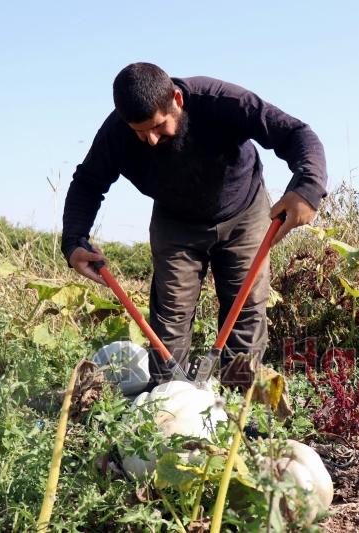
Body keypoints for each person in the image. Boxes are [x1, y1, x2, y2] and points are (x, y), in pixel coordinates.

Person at [62, 62, 327, 388]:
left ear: (177, 99)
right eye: (139, 132)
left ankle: (239, 406)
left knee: (245, 309)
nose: (151, 140)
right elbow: (88, 182)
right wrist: (74, 241)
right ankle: (167, 406)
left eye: (158, 127)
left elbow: (297, 133)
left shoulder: (221, 101)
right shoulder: (116, 133)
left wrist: (308, 188)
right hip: (176, 222)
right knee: (170, 316)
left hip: (244, 213)